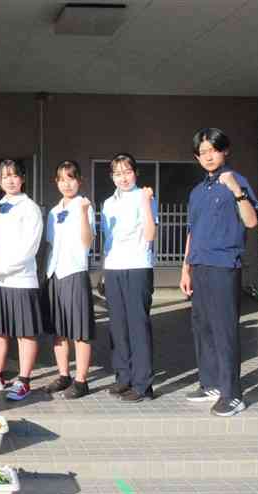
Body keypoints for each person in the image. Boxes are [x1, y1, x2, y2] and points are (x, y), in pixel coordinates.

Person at [180, 128, 258, 417]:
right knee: (203, 328)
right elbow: (192, 231)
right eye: (203, 152)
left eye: (213, 149)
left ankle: (233, 394)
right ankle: (210, 383)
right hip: (199, 265)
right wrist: (185, 268)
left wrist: (236, 191)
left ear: (225, 151)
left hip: (224, 265)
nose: (208, 155)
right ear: (197, 157)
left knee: (224, 330)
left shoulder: (238, 181)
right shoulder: (197, 192)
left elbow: (251, 222)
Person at [0, 160, 44, 401]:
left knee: (25, 332)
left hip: (20, 280)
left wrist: (1, 269)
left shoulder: (31, 208)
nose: (10, 180)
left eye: (15, 175)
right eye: (5, 176)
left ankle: (24, 380)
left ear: (22, 178)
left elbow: (30, 248)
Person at [101, 153, 157, 403]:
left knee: (137, 326)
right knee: (118, 326)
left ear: (135, 172)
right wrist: (104, 271)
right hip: (114, 268)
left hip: (137, 267)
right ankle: (123, 377)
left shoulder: (144, 196)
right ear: (112, 176)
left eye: (127, 171)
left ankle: (143, 384)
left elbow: (150, 234)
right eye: (117, 173)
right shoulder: (108, 203)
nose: (123, 177)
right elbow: (108, 241)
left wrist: (146, 202)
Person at [42, 160, 96, 399]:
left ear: (79, 181)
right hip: (54, 272)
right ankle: (63, 374)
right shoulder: (54, 211)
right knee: (59, 329)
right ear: (56, 182)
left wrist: (84, 214)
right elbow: (50, 244)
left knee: (79, 330)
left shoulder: (84, 206)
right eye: (62, 179)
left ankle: (81, 380)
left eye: (71, 178)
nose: (66, 183)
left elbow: (87, 241)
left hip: (74, 271)